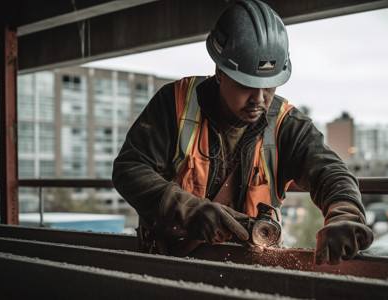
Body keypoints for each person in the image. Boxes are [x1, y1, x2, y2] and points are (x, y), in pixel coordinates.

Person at [112, 0, 373, 265]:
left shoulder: (286, 124)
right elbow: (130, 169)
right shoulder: (175, 104)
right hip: (169, 263)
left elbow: (331, 173)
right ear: (220, 72)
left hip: (254, 266)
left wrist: (345, 215)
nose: (259, 99)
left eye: (269, 86)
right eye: (247, 85)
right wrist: (189, 210)